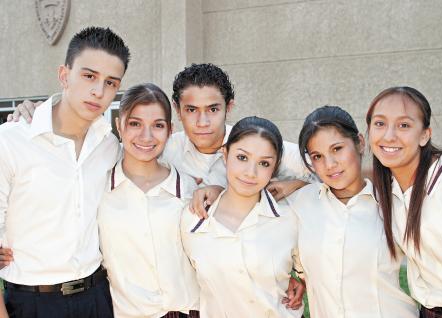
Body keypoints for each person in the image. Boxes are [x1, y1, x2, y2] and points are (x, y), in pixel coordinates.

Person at [8, 63, 314, 217]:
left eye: (213, 109)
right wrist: (39, 112)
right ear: (179, 113)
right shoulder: (162, 148)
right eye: (192, 110)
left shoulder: (257, 144)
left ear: (229, 108)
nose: (203, 121)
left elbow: (326, 173)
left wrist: (292, 185)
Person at [0, 27, 130, 317]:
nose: (99, 91)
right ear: (64, 75)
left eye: (110, 82)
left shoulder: (109, 146)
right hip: (31, 302)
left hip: (97, 297)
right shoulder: (10, 141)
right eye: (89, 76)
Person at [287, 106, 418, 318]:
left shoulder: (393, 202)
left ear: (360, 142)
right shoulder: (299, 203)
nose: (330, 164)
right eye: (317, 156)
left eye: (337, 149)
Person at [180, 116, 305, 318]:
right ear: (225, 154)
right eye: (242, 158)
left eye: (264, 163)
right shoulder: (192, 219)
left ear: (275, 167)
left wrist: (299, 184)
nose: (250, 172)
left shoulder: (291, 218)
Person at [367, 86, 442, 317]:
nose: (389, 135)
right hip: (429, 310)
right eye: (380, 123)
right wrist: (298, 184)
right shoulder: (390, 188)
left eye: (404, 125)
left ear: (425, 134)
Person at [98, 83, 199, 317]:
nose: (146, 136)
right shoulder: (99, 189)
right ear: (118, 126)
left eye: (158, 125)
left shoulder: (188, 188)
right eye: (135, 124)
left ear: (170, 130)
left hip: (188, 311)